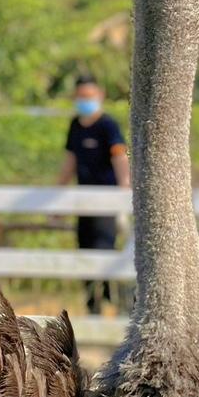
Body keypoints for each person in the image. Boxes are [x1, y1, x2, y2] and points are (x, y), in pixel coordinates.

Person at [57, 76, 130, 314]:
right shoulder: (75, 126)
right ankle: (93, 309)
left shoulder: (108, 125)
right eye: (81, 96)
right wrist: (57, 195)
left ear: (100, 95)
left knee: (103, 250)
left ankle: (119, 304)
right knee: (85, 252)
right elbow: (70, 161)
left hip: (106, 201)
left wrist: (124, 193)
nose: (85, 101)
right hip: (83, 202)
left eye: (89, 96)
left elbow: (120, 157)